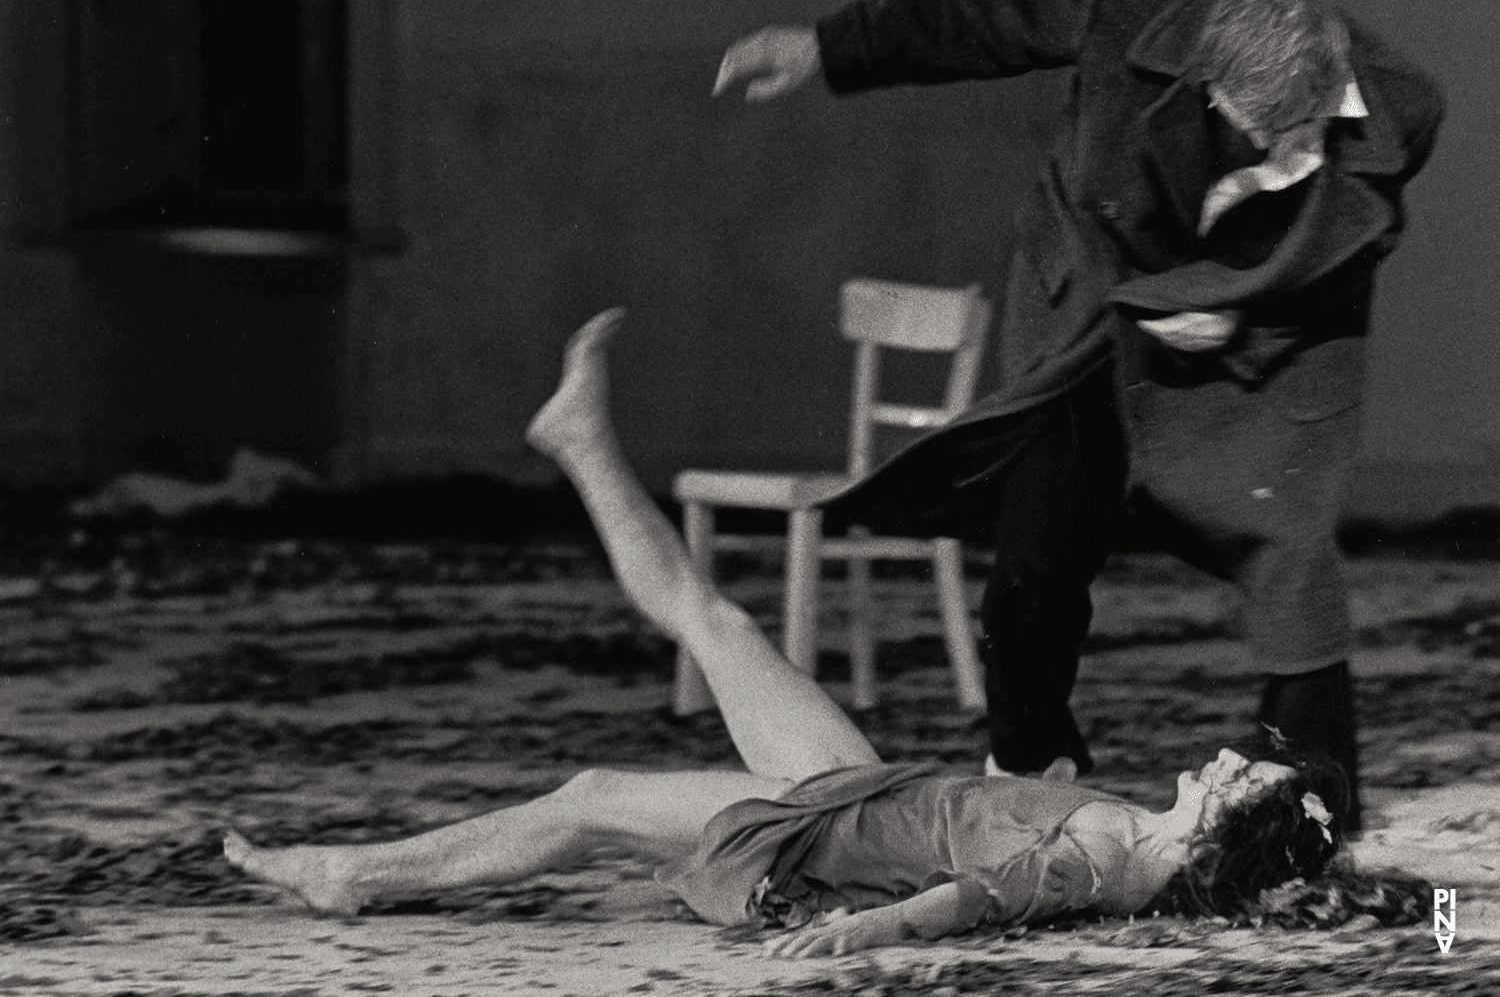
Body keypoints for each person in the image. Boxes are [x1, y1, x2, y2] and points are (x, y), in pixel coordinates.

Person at [224, 309, 1411, 955]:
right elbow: (1376, 894)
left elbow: (975, 901)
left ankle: (349, 873)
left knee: (591, 795)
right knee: (720, 617)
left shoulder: (1106, 855)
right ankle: (580, 442)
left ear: (1222, 825)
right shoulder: (1162, 838)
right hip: (859, 788)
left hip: (814, 848)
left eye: (1233, 772)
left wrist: (864, 938)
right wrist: (1411, 898)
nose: (1218, 755)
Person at [711, 0, 1445, 828]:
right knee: (1042, 539)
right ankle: (1029, 755)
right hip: (1092, 304)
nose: (1274, 147)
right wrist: (832, 45)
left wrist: (1234, 301)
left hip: (1256, 335)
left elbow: (1361, 228)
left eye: (1295, 129)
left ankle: (1313, 794)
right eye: (1256, 129)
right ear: (1207, 84)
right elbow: (981, 12)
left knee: (1288, 545)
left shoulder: (1396, 104)